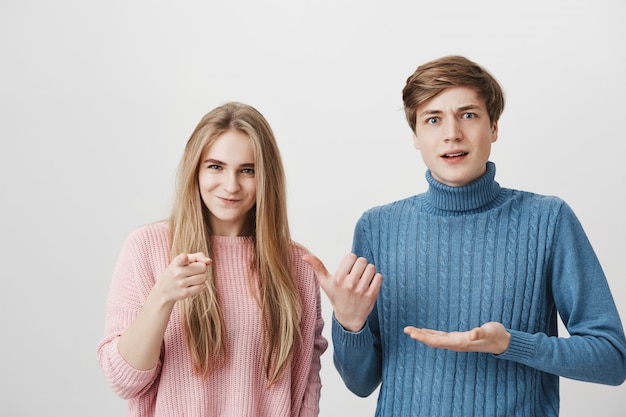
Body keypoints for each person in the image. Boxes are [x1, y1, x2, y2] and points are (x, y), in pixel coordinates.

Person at [303, 55, 626, 416]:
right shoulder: (377, 228)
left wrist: (510, 344)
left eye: (468, 115)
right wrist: (350, 323)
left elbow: (612, 358)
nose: (452, 133)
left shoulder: (548, 220)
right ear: (415, 135)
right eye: (433, 119)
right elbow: (360, 384)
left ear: (495, 127)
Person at [97, 102, 328, 417]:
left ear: (266, 177)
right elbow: (123, 381)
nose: (231, 186)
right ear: (196, 169)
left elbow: (305, 391)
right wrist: (162, 297)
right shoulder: (147, 248)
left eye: (247, 170)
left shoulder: (297, 264)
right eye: (216, 166)